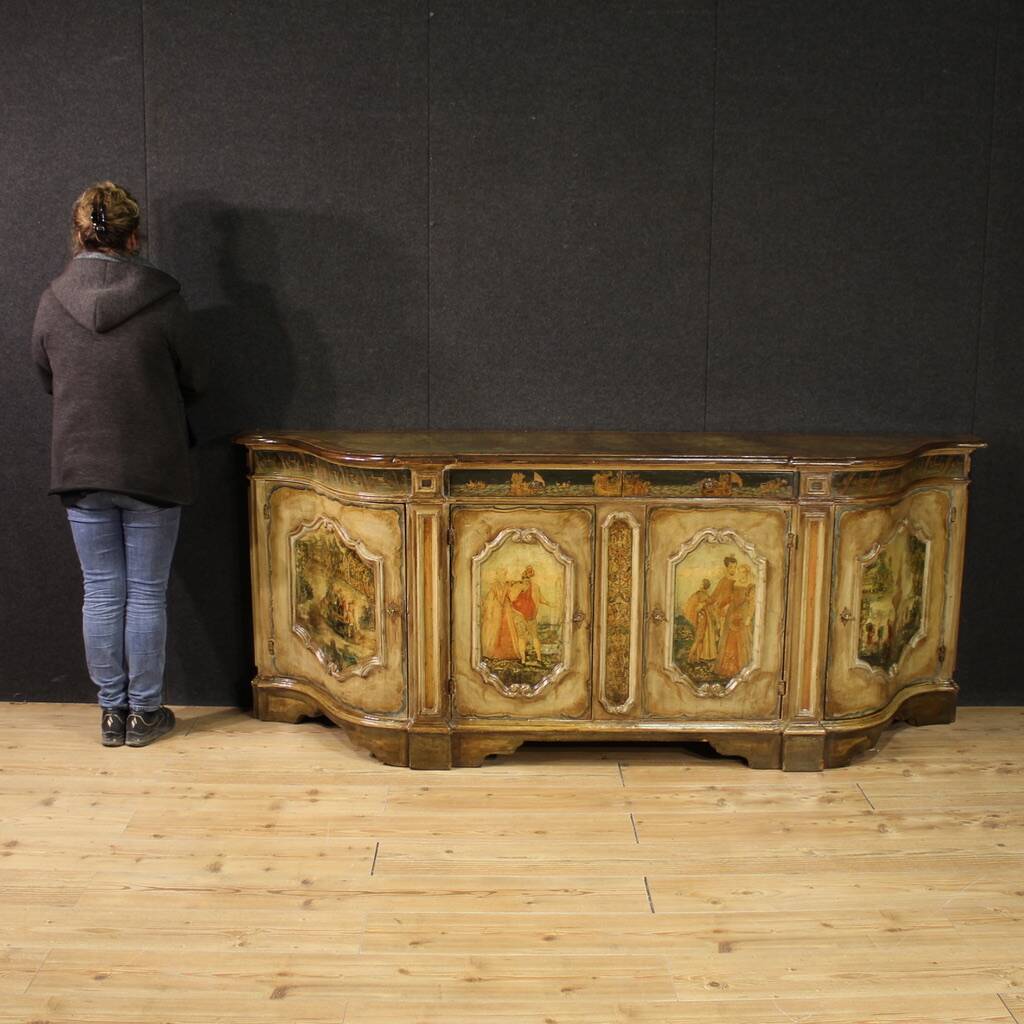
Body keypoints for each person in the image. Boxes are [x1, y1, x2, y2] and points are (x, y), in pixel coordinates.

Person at [30, 182, 206, 748]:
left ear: (80, 233)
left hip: (82, 462)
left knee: (102, 591)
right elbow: (195, 379)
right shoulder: (163, 298)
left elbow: (46, 375)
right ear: (134, 237)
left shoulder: (53, 299)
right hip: (152, 464)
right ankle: (145, 714)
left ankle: (112, 714)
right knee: (146, 594)